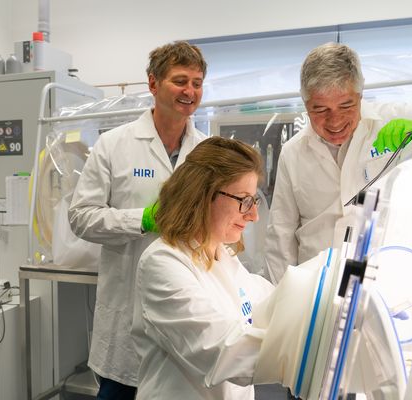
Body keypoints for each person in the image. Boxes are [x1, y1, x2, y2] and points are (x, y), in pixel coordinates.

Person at [68, 41, 208, 399]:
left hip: (186, 310)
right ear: (153, 84)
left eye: (196, 82)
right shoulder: (114, 145)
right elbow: (81, 217)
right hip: (127, 317)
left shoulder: (207, 151)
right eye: (180, 81)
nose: (189, 91)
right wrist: (143, 220)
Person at [264, 42, 412, 283]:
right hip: (315, 287)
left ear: (360, 95)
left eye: (346, 105)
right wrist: (280, 302)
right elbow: (280, 237)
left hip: (383, 279)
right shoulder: (293, 154)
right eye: (320, 109)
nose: (334, 121)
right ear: (305, 105)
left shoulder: (396, 123)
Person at [132, 137, 275, 399]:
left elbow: (271, 302)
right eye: (244, 201)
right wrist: (300, 354)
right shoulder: (163, 263)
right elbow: (220, 351)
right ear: (203, 195)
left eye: (253, 201)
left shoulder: (222, 256)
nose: (253, 215)